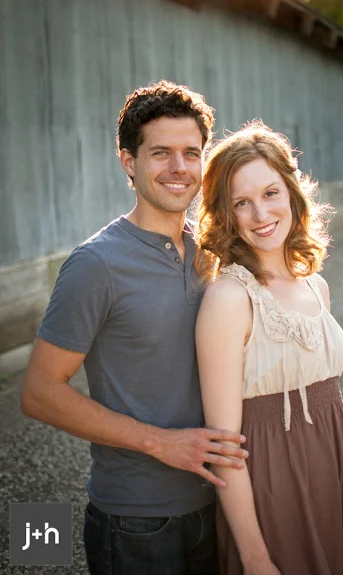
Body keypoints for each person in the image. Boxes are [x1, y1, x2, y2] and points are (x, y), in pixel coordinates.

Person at [20, 80, 248, 575]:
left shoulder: (211, 253)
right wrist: (159, 442)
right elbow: (38, 392)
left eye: (191, 153)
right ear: (129, 162)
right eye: (161, 153)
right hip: (136, 522)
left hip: (220, 504)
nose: (179, 167)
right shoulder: (95, 264)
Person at [195, 121, 343, 575]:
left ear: (293, 194)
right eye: (242, 202)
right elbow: (224, 447)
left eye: (270, 193)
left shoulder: (316, 285)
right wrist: (255, 557)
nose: (260, 213)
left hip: (334, 484)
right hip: (272, 493)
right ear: (226, 214)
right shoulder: (228, 299)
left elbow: (332, 410)